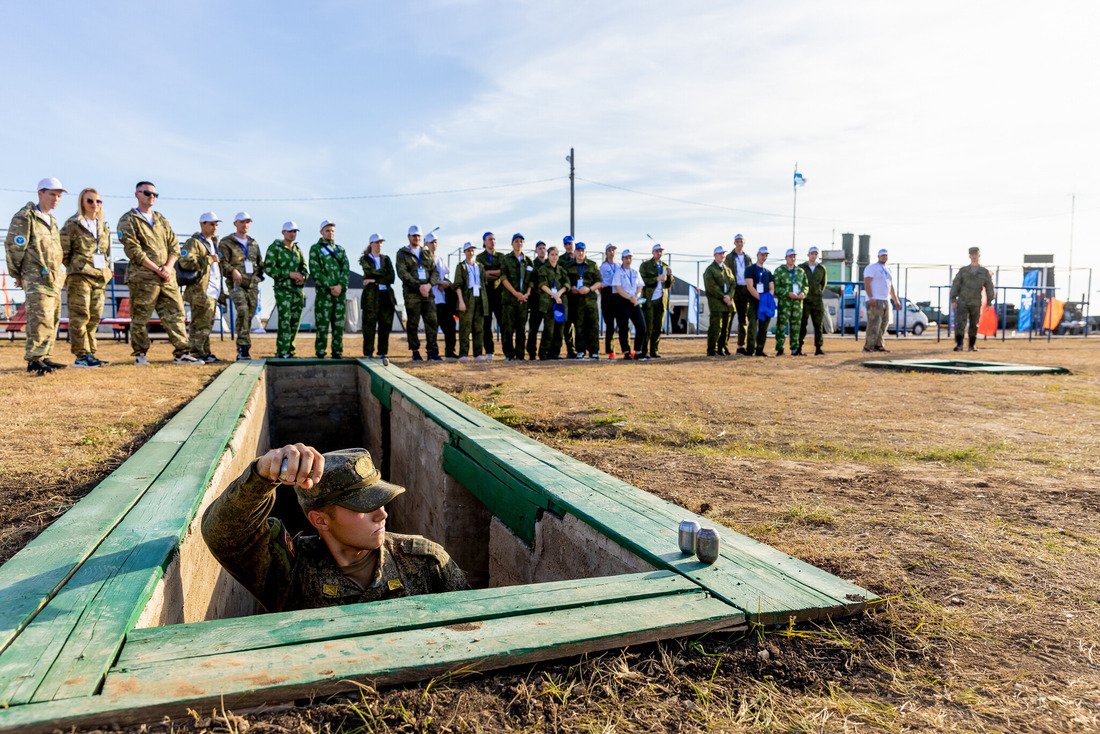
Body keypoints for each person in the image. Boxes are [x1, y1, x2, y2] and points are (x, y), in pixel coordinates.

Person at [201, 443, 469, 613]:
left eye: (381, 501)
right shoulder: (291, 573)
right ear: (320, 520)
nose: (382, 514)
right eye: (364, 506)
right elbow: (224, 533)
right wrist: (262, 474)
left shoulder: (427, 563)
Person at [116, 181, 200, 365]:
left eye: (155, 194)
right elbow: (133, 251)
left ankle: (182, 353)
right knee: (140, 317)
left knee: (176, 314)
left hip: (167, 278)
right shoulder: (128, 220)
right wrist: (157, 269)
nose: (151, 196)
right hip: (143, 278)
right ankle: (140, 354)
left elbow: (174, 246)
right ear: (137, 194)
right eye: (147, 193)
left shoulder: (161, 219)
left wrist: (168, 268)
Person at [6, 178, 69, 374]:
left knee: (52, 318)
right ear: (40, 193)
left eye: (59, 196)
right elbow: (15, 246)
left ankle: (44, 355)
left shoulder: (52, 220)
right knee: (39, 317)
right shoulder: (26, 216)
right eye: (52, 194)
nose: (56, 199)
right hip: (35, 275)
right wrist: (17, 273)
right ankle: (34, 359)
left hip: (53, 277)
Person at [59, 187, 113, 368]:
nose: (94, 205)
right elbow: (63, 252)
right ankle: (81, 356)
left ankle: (90, 352)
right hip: (80, 276)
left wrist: (106, 270)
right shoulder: (73, 224)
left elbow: (106, 253)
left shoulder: (103, 226)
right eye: (90, 201)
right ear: (82, 202)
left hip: (99, 276)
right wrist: (76, 267)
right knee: (80, 316)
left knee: (95, 317)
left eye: (98, 201)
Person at [178, 212, 225, 363]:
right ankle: (196, 352)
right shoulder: (194, 242)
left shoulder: (213, 242)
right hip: (201, 290)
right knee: (200, 324)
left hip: (213, 289)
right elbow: (185, 261)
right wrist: (208, 259)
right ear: (202, 224)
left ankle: (204, 352)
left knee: (207, 323)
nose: (214, 227)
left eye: (216, 224)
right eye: (211, 224)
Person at [218, 212, 264, 360]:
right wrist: (233, 271)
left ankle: (243, 344)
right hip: (236, 284)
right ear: (235, 224)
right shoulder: (226, 242)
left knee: (249, 315)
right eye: (242, 222)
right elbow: (222, 263)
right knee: (243, 310)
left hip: (252, 285)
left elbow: (260, 263)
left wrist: (258, 277)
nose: (245, 225)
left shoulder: (253, 243)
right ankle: (243, 348)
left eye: (247, 222)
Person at [396, 225, 440, 361]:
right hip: (412, 294)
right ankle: (415, 351)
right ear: (409, 236)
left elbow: (435, 271)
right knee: (413, 323)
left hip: (428, 293)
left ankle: (432, 351)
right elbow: (402, 273)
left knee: (432, 321)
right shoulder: (402, 253)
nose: (416, 238)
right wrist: (419, 286)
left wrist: (428, 285)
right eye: (414, 235)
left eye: (419, 236)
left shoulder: (426, 253)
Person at [265, 222, 308, 359]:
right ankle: (282, 351)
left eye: (295, 231)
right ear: (283, 232)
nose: (292, 234)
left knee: (295, 322)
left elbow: (304, 267)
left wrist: (302, 277)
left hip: (297, 291)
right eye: (290, 231)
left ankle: (291, 350)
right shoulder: (275, 248)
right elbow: (268, 268)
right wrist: (288, 274)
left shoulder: (297, 250)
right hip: (283, 290)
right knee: (285, 321)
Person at [309, 220, 350, 359]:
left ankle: (337, 352)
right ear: (321, 232)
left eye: (332, 230)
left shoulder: (341, 250)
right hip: (324, 295)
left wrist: (340, 286)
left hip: (339, 294)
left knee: (338, 326)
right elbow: (315, 271)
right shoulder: (315, 249)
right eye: (327, 230)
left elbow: (346, 270)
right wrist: (330, 286)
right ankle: (320, 352)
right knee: (322, 325)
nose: (330, 233)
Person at [950, 246, 996, 352]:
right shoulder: (963, 271)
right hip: (963, 301)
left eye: (976, 254)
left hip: (976, 302)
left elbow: (989, 286)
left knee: (974, 324)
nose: (974, 256)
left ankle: (971, 345)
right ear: (969, 256)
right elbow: (956, 284)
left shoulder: (984, 272)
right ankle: (959, 344)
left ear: (979, 255)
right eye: (972, 254)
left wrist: (989, 301)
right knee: (960, 323)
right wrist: (953, 299)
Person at [563, 242, 602, 359]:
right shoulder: (568, 266)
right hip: (576, 301)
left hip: (590, 300)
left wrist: (589, 289)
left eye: (582, 251)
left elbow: (599, 282)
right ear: (574, 252)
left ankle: (594, 350)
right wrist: (572, 288)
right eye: (578, 250)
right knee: (579, 326)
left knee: (593, 325)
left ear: (585, 252)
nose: (580, 253)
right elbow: (566, 282)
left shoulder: (592, 265)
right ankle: (581, 350)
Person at [359, 233, 396, 360]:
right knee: (369, 326)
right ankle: (368, 352)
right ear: (371, 244)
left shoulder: (386, 259)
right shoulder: (365, 259)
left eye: (381, 242)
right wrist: (381, 277)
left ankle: (382, 352)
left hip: (386, 296)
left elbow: (391, 277)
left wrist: (373, 280)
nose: (379, 245)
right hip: (371, 297)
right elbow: (369, 271)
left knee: (385, 325)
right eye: (376, 242)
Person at [500, 233, 533, 360]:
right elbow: (503, 278)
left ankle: (520, 354)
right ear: (512, 243)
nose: (519, 243)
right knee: (508, 329)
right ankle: (509, 354)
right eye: (516, 241)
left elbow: (531, 280)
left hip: (523, 301)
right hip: (510, 300)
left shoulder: (528, 260)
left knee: (521, 329)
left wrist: (526, 294)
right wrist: (516, 294)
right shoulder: (506, 259)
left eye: (521, 241)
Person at [453, 242, 488, 360]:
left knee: (479, 327)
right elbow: (457, 285)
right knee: (465, 327)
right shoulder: (461, 266)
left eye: (472, 250)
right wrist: (461, 301)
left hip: (480, 297)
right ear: (464, 252)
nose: (471, 253)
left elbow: (484, 283)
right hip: (467, 297)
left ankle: (478, 353)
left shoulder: (480, 266)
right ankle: (463, 353)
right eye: (468, 251)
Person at [426, 234, 458, 359]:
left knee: (450, 325)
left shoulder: (440, 259)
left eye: (435, 242)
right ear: (426, 244)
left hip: (443, 299)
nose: (433, 245)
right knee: (433, 326)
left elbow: (444, 277)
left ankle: (450, 352)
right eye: (431, 242)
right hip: (430, 298)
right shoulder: (424, 259)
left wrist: (445, 284)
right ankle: (432, 352)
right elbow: (424, 277)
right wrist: (438, 282)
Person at [863, 248, 901, 353]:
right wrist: (871, 297)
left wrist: (895, 300)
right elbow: (867, 282)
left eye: (885, 255)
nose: (884, 257)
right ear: (878, 256)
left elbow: (890, 286)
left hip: (885, 300)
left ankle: (878, 345)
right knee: (874, 324)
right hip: (875, 299)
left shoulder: (888, 270)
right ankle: (868, 346)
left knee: (884, 323)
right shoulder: (872, 268)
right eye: (882, 255)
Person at [639, 242, 673, 358]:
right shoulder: (645, 265)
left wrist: (670, 276)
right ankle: (643, 350)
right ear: (652, 252)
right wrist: (656, 278)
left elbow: (669, 284)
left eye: (661, 251)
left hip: (661, 300)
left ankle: (654, 350)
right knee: (647, 326)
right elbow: (642, 281)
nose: (659, 253)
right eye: (657, 251)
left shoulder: (665, 266)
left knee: (658, 327)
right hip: (649, 300)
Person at [613, 249, 648, 360]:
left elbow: (640, 286)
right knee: (623, 326)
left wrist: (636, 297)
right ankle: (626, 351)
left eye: (630, 258)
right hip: (623, 300)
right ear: (622, 259)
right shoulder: (619, 272)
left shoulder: (635, 272)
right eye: (626, 258)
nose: (628, 260)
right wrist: (630, 297)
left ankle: (638, 350)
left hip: (634, 300)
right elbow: (618, 288)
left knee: (641, 326)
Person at [773, 248, 808, 356]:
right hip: (785, 304)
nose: (792, 259)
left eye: (794, 257)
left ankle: (795, 348)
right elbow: (776, 287)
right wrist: (787, 293)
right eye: (790, 257)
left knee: (796, 326)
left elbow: (806, 286)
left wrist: (803, 293)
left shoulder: (800, 271)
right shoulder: (779, 271)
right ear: (786, 258)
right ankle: (780, 348)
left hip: (797, 304)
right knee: (781, 326)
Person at [537, 245, 568, 360]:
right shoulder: (543, 269)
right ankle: (544, 353)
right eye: (552, 255)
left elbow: (567, 284)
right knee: (549, 329)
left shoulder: (561, 270)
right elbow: (542, 284)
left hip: (560, 302)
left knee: (559, 329)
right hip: (548, 302)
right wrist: (553, 295)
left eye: (556, 255)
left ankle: (555, 353)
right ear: (548, 256)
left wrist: (558, 294)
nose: (554, 257)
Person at [475, 232, 503, 360]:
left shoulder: (502, 257)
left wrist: (490, 273)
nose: (492, 242)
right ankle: (489, 352)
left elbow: (503, 273)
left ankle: (508, 351)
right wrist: (495, 273)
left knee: (503, 323)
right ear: (484, 242)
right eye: (490, 239)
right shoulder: (479, 258)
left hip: (499, 293)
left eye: (494, 239)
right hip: (485, 294)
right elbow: (482, 274)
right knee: (486, 324)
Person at [702, 246, 734, 357]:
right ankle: (712, 349)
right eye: (720, 254)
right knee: (716, 326)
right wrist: (723, 297)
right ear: (715, 255)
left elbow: (733, 284)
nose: (722, 255)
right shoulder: (710, 270)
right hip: (716, 302)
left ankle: (721, 348)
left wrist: (729, 296)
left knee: (725, 327)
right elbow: (711, 286)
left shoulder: (727, 270)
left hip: (727, 303)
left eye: (723, 253)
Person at [798, 246, 828, 355]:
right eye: (812, 254)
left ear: (817, 256)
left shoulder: (821, 269)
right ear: (808, 254)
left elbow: (823, 284)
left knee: (818, 325)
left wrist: (818, 292)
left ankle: (818, 348)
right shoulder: (802, 268)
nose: (813, 256)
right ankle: (799, 347)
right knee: (802, 324)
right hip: (804, 300)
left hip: (817, 300)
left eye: (815, 254)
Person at [745, 246, 774, 357]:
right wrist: (760, 298)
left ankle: (760, 350)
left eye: (766, 255)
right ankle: (750, 349)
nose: (764, 257)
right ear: (757, 255)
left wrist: (766, 299)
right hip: (754, 302)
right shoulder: (750, 270)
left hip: (765, 303)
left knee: (764, 327)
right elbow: (750, 286)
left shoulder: (768, 272)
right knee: (752, 325)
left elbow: (772, 287)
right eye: (762, 255)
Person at [728, 235, 752, 355]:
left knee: (743, 319)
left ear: (744, 243)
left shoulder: (748, 258)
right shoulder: (729, 257)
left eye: (741, 241)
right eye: (737, 242)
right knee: (729, 317)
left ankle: (741, 345)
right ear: (734, 243)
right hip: (734, 289)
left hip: (745, 289)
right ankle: (723, 345)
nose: (739, 244)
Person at [525, 241, 549, 360]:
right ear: (535, 251)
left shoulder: (550, 264)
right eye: (539, 248)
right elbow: (528, 279)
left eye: (544, 248)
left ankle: (544, 352)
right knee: (533, 328)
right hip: (536, 301)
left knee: (548, 328)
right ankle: (531, 352)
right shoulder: (532, 264)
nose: (542, 250)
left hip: (548, 301)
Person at [599, 244, 619, 359]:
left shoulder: (619, 266)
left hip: (618, 293)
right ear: (606, 253)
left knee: (622, 323)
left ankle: (626, 349)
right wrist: (605, 295)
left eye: (613, 250)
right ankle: (610, 350)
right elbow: (599, 284)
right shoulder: (603, 267)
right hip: (607, 293)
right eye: (609, 250)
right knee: (610, 324)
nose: (611, 252)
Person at [560, 235, 577, 357]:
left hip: (581, 296)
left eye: (570, 243)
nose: (568, 246)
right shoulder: (561, 260)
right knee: (567, 325)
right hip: (567, 296)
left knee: (580, 324)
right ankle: (571, 350)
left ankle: (581, 350)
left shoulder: (581, 257)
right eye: (566, 244)